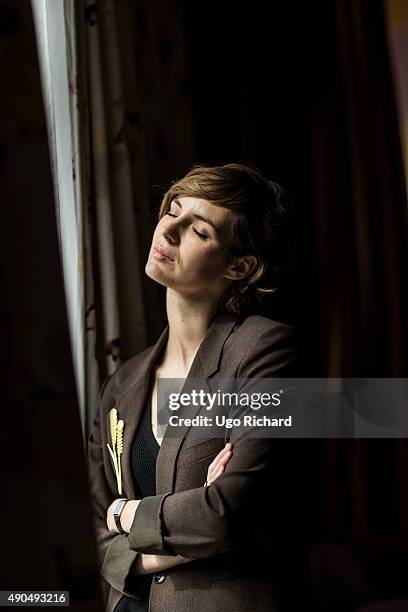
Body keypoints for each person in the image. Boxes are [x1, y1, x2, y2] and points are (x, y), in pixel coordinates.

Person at [87, 163, 310, 612]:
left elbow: (227, 516)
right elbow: (90, 531)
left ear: (239, 265)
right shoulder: (122, 382)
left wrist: (124, 514)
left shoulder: (264, 349)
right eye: (172, 210)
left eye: (199, 230)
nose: (169, 230)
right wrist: (190, 520)